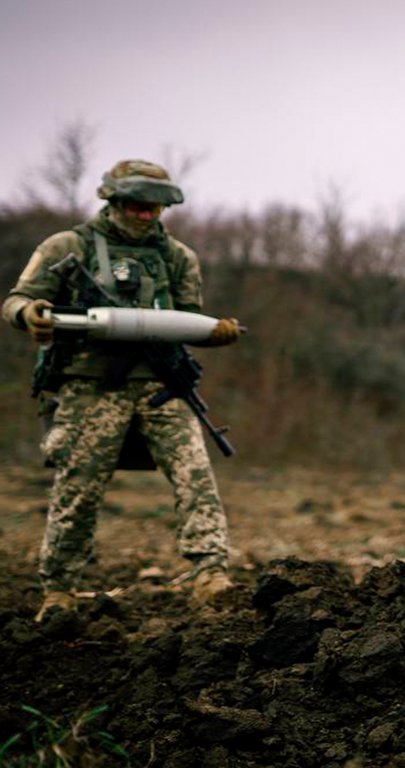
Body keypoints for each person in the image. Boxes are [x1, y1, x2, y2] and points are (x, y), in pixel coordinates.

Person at [3, 159, 243, 622]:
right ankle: (60, 590)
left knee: (196, 477)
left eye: (155, 208)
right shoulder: (67, 246)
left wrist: (216, 332)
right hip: (91, 389)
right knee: (79, 488)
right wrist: (29, 313)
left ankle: (210, 574)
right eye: (137, 205)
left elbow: (187, 320)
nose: (146, 215)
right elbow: (17, 300)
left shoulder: (177, 258)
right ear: (113, 201)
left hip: (159, 388)